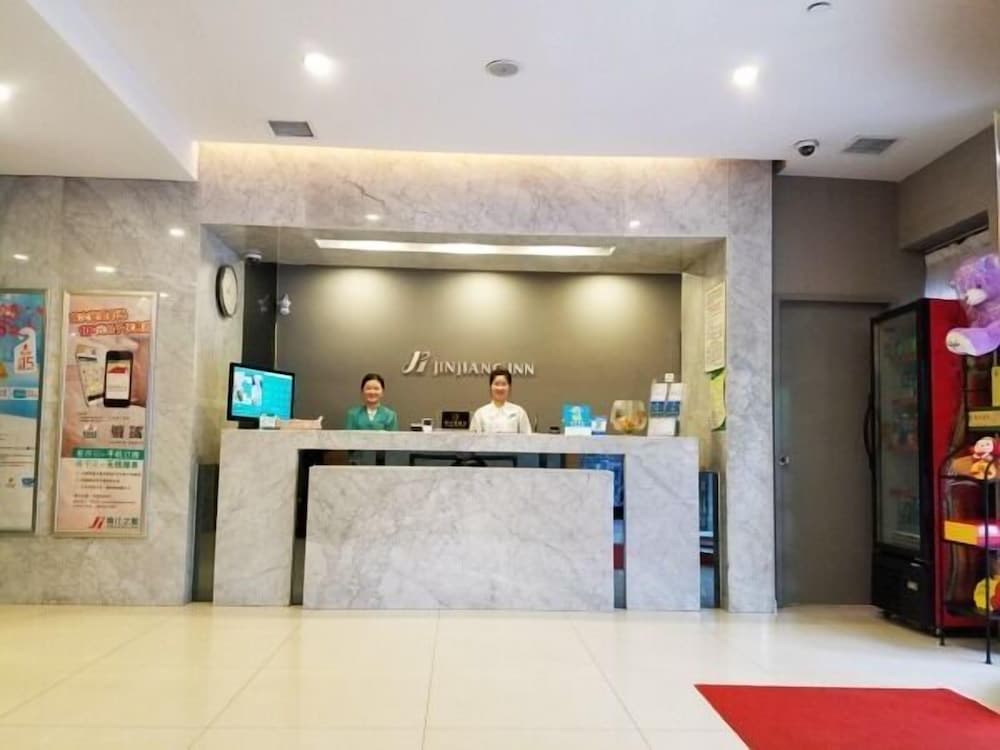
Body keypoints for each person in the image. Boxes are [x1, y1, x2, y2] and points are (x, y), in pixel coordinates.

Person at [470, 366, 532, 433]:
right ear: (490, 387)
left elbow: (528, 437)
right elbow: (473, 438)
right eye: (496, 384)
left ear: (509, 387)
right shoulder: (480, 414)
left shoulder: (519, 412)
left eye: (504, 384)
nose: (500, 388)